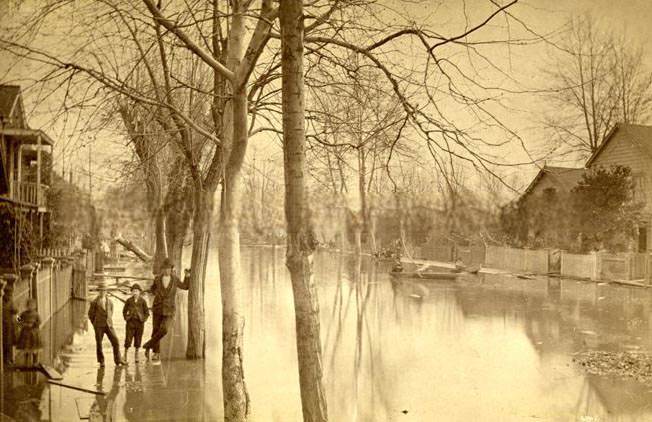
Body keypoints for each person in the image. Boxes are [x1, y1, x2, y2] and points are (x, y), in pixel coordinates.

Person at [142, 258, 189, 362]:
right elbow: (153, 289)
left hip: (170, 310)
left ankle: (148, 345)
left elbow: (186, 287)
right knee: (155, 330)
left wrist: (187, 276)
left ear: (171, 269)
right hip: (157, 308)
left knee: (164, 329)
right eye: (164, 268)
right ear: (162, 269)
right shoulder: (157, 279)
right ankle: (156, 353)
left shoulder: (175, 279)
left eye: (168, 268)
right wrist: (148, 292)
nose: (167, 270)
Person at [88, 280, 127, 367]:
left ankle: (118, 360)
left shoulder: (110, 302)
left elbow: (111, 311)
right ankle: (101, 361)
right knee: (99, 343)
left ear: (106, 291)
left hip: (109, 325)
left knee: (115, 341)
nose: (102, 292)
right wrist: (95, 323)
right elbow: (90, 315)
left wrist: (109, 320)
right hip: (98, 326)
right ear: (99, 291)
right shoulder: (94, 302)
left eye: (104, 290)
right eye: (101, 290)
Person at [122, 283, 149, 362]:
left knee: (138, 339)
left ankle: (136, 355)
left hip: (139, 323)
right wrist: (126, 318)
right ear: (132, 292)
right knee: (128, 339)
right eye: (133, 291)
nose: (135, 293)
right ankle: (125, 354)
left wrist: (143, 319)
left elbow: (147, 313)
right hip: (130, 323)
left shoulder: (143, 301)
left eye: (137, 291)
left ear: (139, 292)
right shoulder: (129, 301)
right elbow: (124, 311)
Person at [16, 298, 42, 367]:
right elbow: (18, 319)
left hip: (33, 333)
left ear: (35, 306)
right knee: (26, 348)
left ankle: (35, 362)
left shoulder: (36, 314)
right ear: (26, 306)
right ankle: (26, 363)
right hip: (26, 333)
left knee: (34, 349)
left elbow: (39, 322)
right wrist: (22, 324)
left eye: (32, 305)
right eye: (29, 305)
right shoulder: (23, 313)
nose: (30, 307)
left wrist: (34, 324)